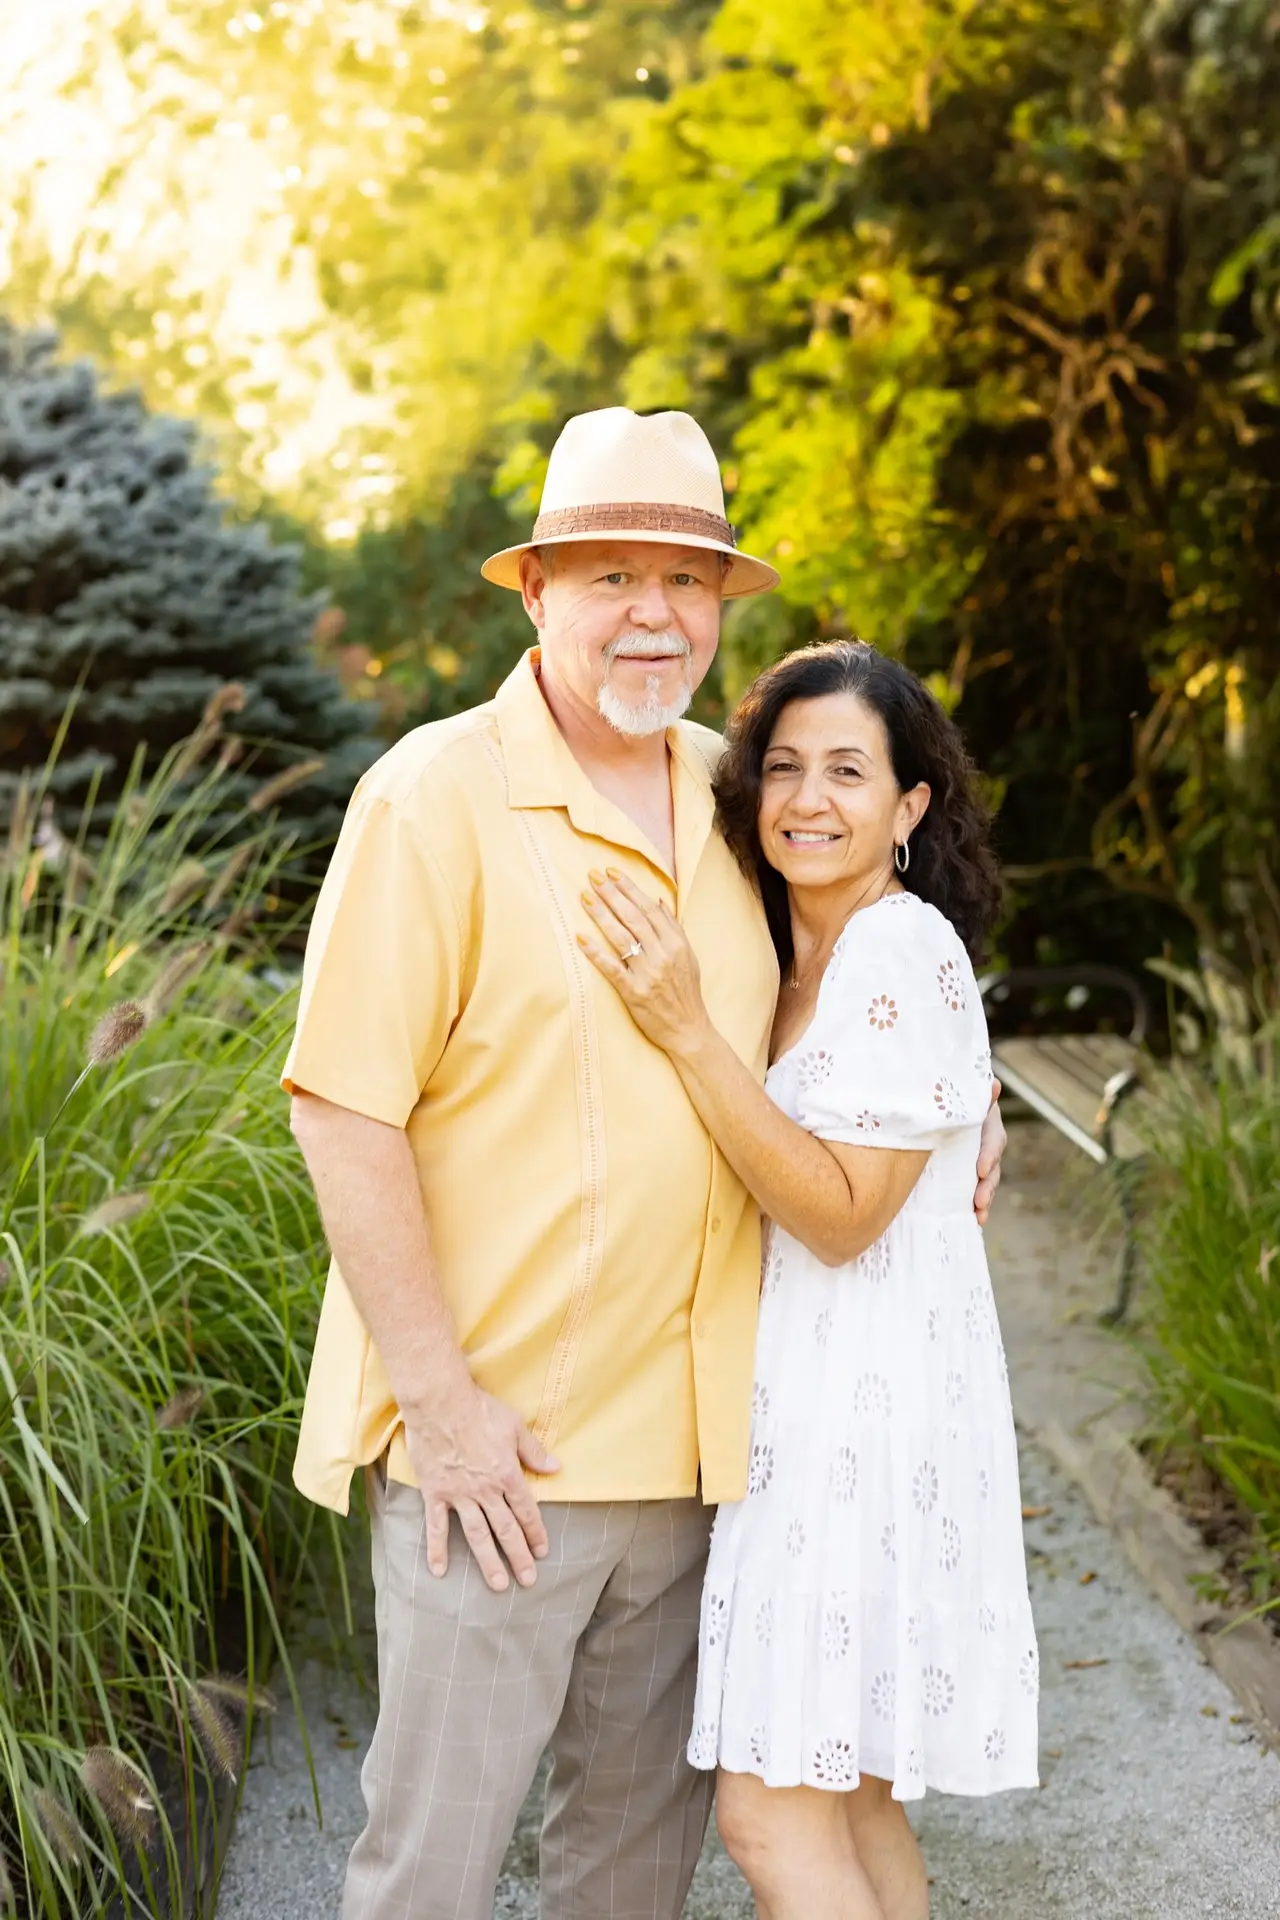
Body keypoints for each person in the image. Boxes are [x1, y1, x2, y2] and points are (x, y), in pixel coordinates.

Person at [281, 406, 1007, 1920]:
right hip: (503, 1463)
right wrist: (443, 1406)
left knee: (628, 1880)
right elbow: (343, 1109)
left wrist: (967, 1096)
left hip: (700, 1468)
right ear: (537, 593)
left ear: (718, 610)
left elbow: (852, 966)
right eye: (611, 575)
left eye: (683, 580)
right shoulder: (433, 797)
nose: (652, 612)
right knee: (431, 1873)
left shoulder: (724, 800)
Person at [578, 639, 1040, 1920]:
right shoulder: (788, 947)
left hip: (859, 1436)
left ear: (908, 808)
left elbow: (839, 1218)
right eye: (781, 767)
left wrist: (681, 1029)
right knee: (850, 1797)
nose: (807, 799)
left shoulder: (894, 951)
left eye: (848, 770)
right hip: (824, 1412)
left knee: (767, 1815)